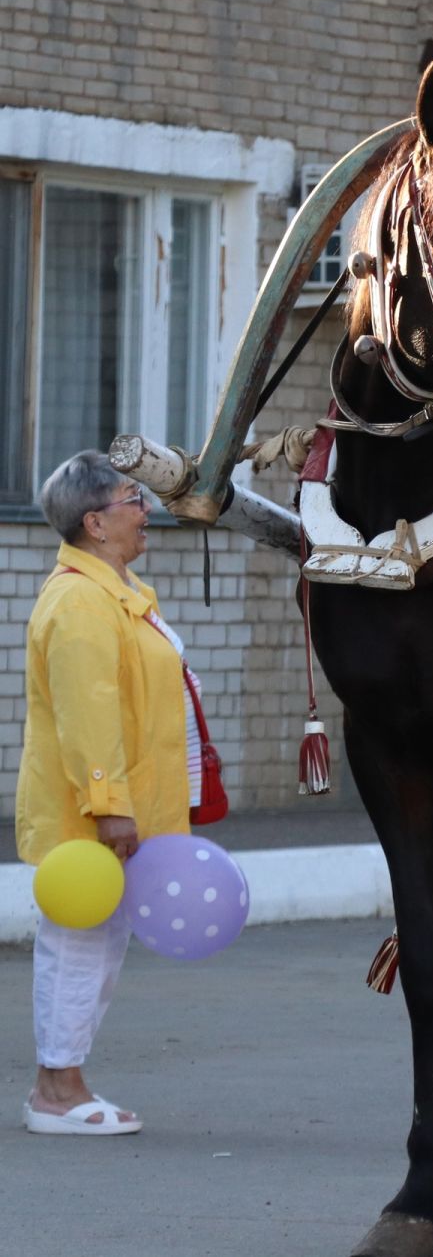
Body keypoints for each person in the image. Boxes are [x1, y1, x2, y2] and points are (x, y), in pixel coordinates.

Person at [16, 452, 194, 1136]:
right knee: (78, 944)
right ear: (94, 521)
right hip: (92, 815)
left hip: (123, 811)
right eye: (131, 498)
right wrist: (111, 807)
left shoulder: (121, 590)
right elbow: (86, 714)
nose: (145, 509)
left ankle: (65, 1079)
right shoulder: (80, 601)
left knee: (99, 947)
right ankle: (56, 1092)